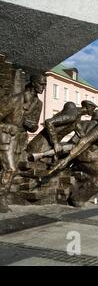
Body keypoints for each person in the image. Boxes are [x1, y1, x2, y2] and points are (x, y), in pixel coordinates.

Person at [0, 73, 47, 212]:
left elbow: (36, 126)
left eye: (45, 84)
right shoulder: (15, 99)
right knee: (10, 169)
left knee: (11, 170)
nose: (43, 87)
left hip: (20, 140)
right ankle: (1, 198)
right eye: (41, 84)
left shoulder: (39, 103)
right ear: (33, 83)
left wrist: (32, 126)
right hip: (6, 137)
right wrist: (6, 126)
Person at [26, 100, 97, 160]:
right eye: (92, 109)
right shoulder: (72, 115)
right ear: (87, 108)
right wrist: (55, 143)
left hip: (50, 146)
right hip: (41, 144)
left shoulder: (77, 118)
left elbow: (81, 134)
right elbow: (49, 122)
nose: (93, 111)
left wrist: (91, 143)